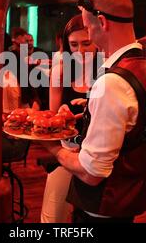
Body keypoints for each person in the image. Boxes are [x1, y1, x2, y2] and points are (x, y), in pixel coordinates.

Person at [40, 0, 146, 223]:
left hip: (101, 206)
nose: (87, 39)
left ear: (102, 22)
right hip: (127, 197)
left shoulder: (112, 82)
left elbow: (91, 173)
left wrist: (52, 147)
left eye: (87, 28)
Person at [41, 14, 98, 223]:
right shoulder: (60, 71)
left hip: (96, 154)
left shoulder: (107, 73)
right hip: (68, 151)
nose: (80, 52)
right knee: (52, 217)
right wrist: (61, 114)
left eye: (86, 43)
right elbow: (53, 121)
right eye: (74, 45)